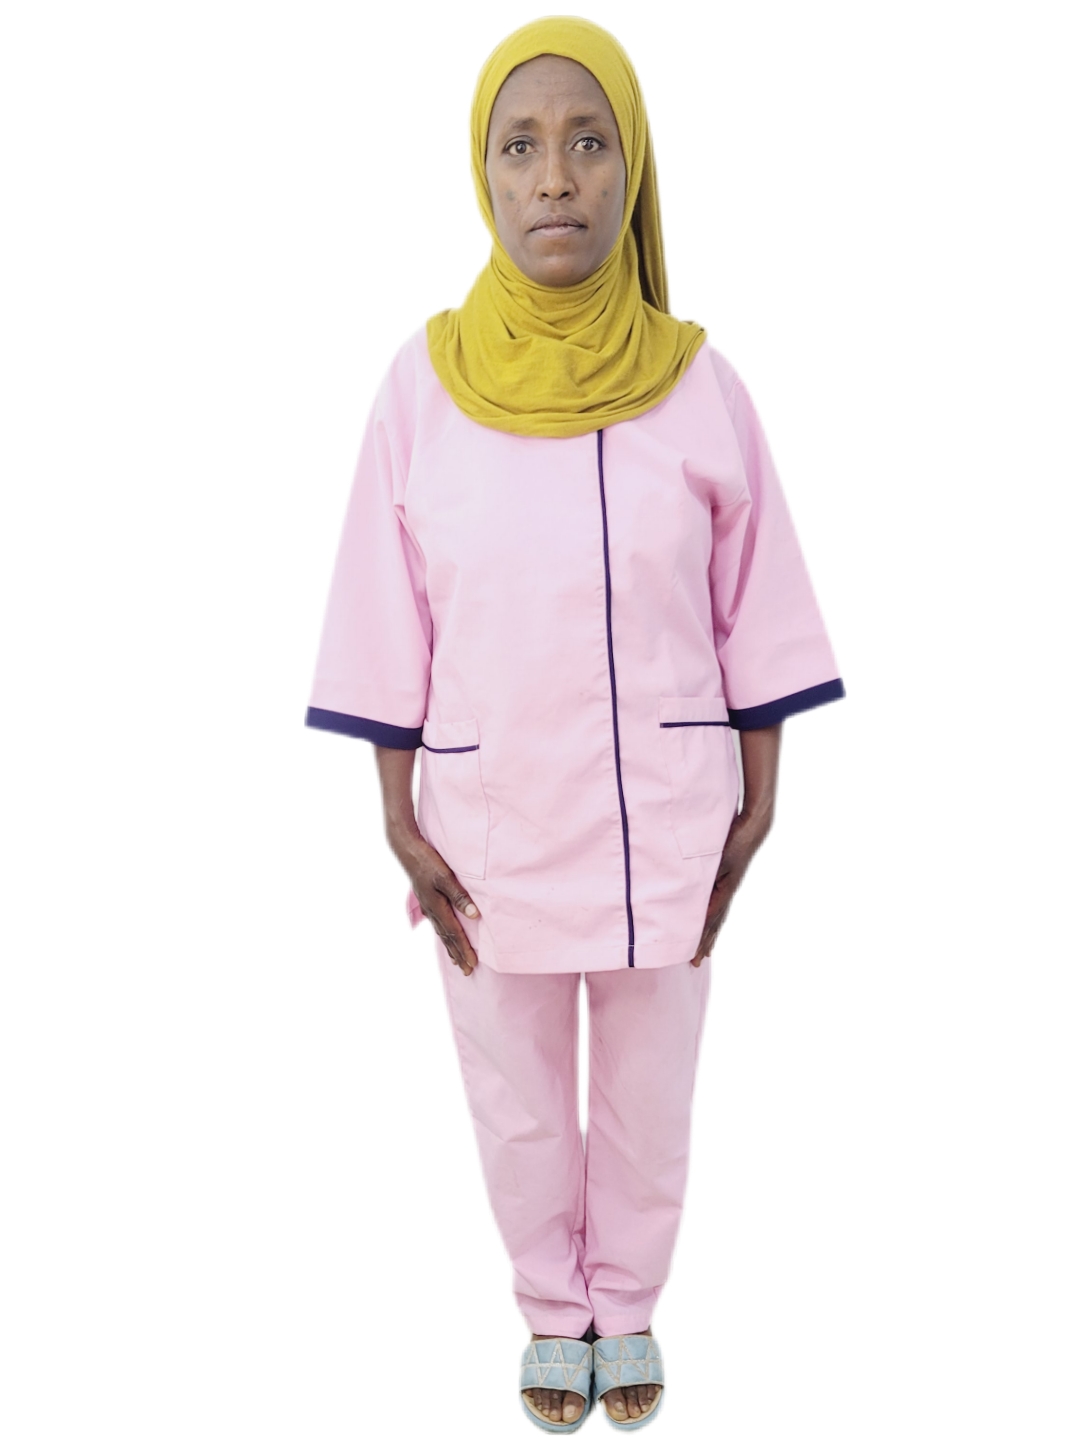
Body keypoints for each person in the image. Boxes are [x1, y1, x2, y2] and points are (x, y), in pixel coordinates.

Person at [304, 15, 844, 1432]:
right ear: (480, 173)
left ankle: (633, 1302)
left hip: (669, 820)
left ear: (633, 169)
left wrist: (762, 797)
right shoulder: (423, 385)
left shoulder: (698, 382)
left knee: (651, 1092)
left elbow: (756, 603)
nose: (555, 177)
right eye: (521, 146)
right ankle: (556, 1309)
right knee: (519, 1092)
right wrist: (396, 816)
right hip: (487, 825)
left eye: (590, 143)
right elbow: (384, 608)